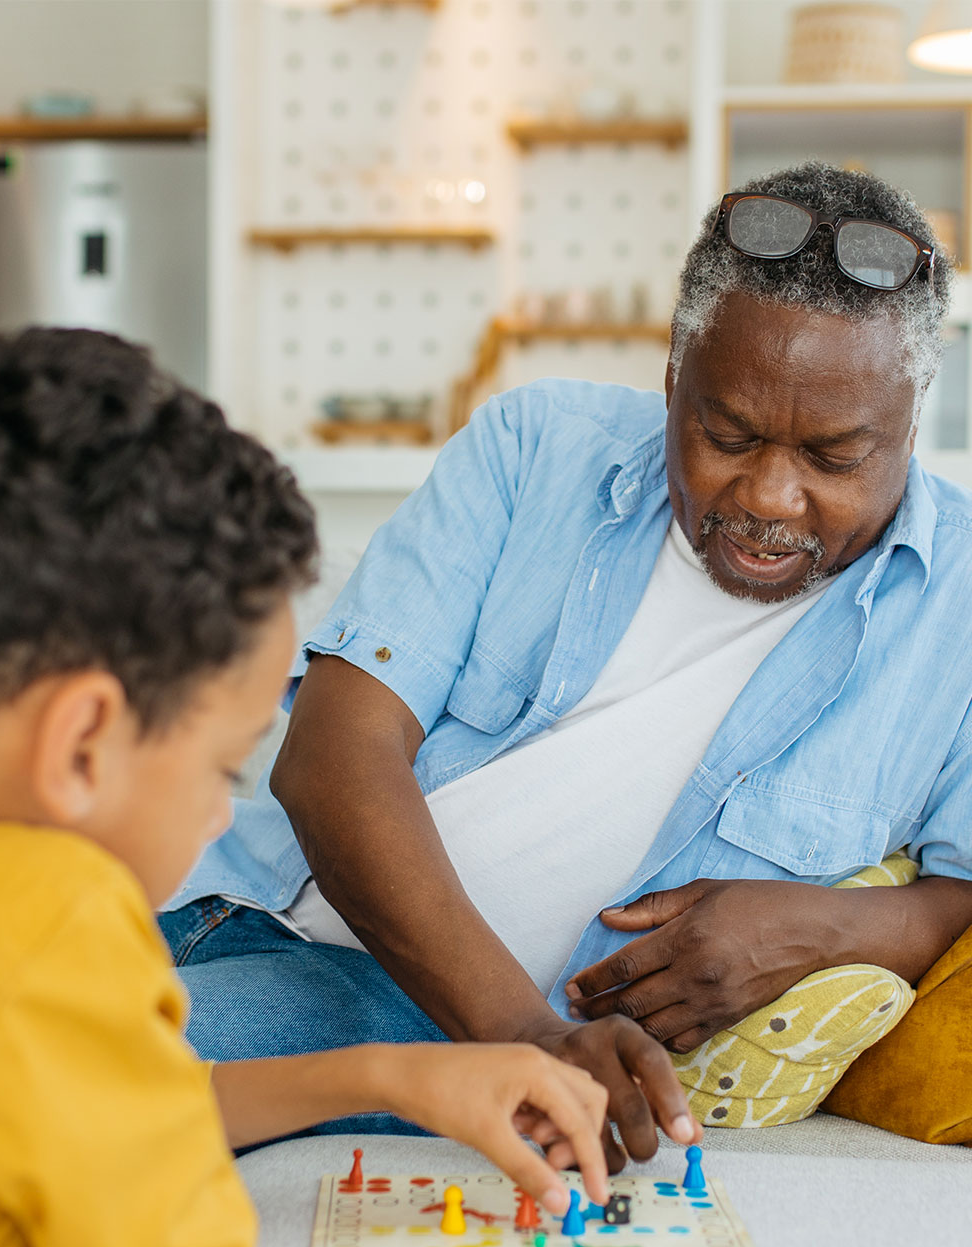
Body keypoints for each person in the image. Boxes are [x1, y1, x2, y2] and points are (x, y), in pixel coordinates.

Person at [0, 327, 701, 1247]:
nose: (221, 811)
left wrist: (389, 1077)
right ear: (80, 746)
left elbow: (87, 1103)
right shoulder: (55, 918)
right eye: (219, 766)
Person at [162, 160, 972, 1159]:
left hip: (368, 999)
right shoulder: (538, 444)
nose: (768, 496)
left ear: (910, 424)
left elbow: (958, 890)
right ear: (674, 381)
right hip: (244, 902)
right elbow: (331, 759)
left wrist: (826, 927)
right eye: (725, 433)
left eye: (834, 458)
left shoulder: (959, 607)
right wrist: (530, 1039)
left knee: (28, 1084)